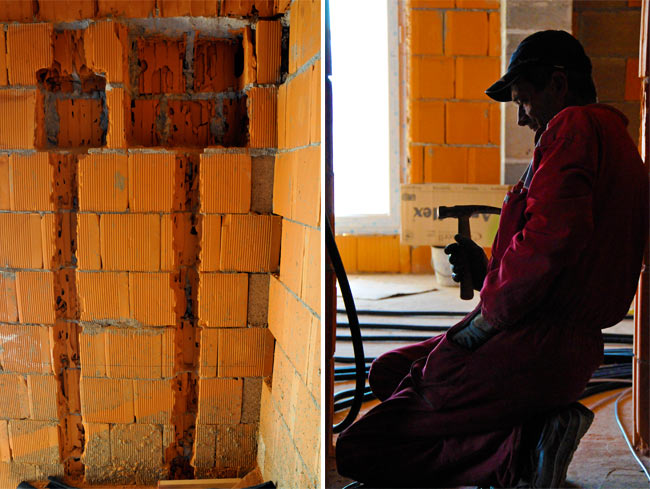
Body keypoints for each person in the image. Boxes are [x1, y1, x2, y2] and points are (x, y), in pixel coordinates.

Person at [335, 30, 649, 488]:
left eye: (524, 100)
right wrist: (489, 272)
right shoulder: (617, 140)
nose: (522, 118)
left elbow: (552, 240)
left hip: (534, 345)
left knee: (363, 448)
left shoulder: (573, 127)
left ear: (558, 85)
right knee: (390, 372)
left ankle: (520, 451)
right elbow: (562, 249)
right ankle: (531, 430)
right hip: (554, 344)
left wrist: (482, 326)